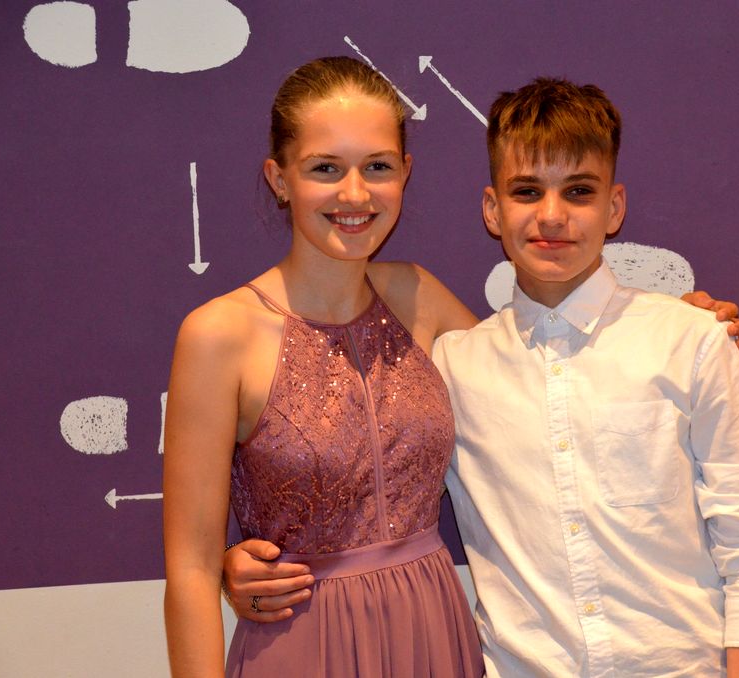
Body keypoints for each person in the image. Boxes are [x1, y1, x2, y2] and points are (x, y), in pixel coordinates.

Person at [222, 76, 739, 677]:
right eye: (527, 191)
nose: (552, 216)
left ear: (614, 207)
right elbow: (356, 477)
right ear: (493, 210)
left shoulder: (692, 342)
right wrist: (234, 566)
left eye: (579, 191)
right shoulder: (452, 370)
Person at [162, 56, 484, 677]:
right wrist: (229, 565)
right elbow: (191, 572)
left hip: (434, 637)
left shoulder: (419, 296)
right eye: (325, 168)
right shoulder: (219, 334)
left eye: (377, 167)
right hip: (301, 645)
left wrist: (670, 321)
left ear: (405, 172)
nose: (355, 194)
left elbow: (546, 388)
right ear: (280, 178)